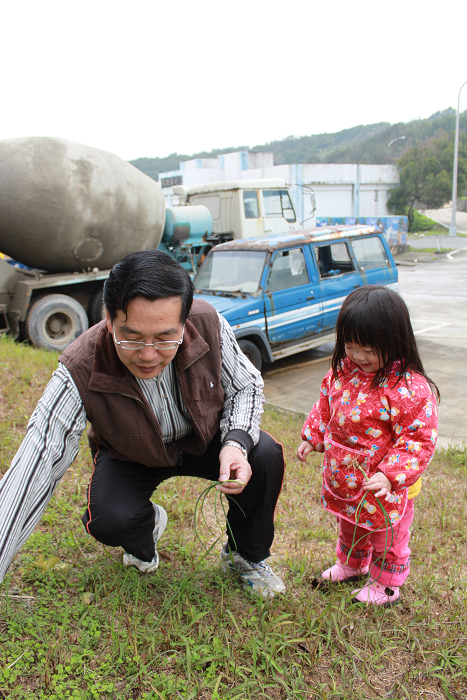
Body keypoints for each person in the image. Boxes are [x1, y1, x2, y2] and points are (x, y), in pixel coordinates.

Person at [0, 250, 285, 598]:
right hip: (131, 453)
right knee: (108, 518)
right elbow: (35, 463)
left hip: (205, 440)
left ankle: (245, 556)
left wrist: (235, 443)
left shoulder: (208, 322)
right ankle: (147, 526)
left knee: (264, 454)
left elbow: (247, 385)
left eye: (165, 338)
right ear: (108, 318)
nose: (148, 355)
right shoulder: (80, 366)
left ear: (184, 322)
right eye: (132, 337)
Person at [296, 285, 439, 606]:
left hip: (385, 487)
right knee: (350, 525)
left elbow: (417, 438)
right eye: (350, 345)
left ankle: (386, 584)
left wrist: (391, 475)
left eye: (368, 349)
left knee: (386, 535)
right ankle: (351, 564)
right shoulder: (342, 374)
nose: (358, 356)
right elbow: (325, 407)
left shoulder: (409, 389)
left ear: (394, 341)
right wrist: (312, 436)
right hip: (347, 478)